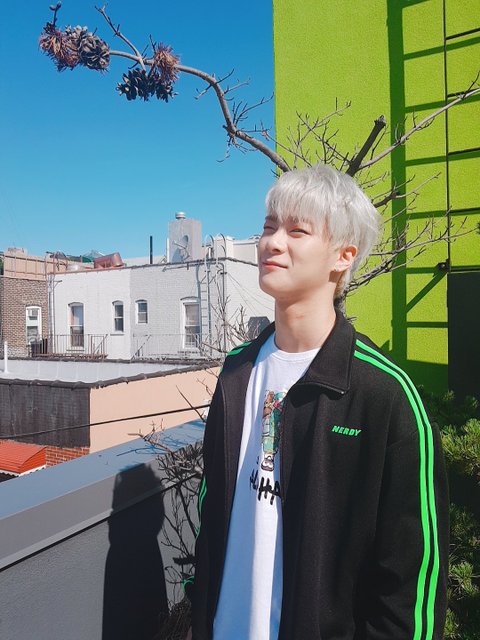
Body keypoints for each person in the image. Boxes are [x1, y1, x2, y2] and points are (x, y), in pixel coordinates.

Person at [185, 163, 449, 639]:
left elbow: (410, 583)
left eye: (296, 230)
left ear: (343, 257)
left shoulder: (383, 394)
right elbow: (212, 507)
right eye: (269, 226)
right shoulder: (237, 372)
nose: (272, 243)